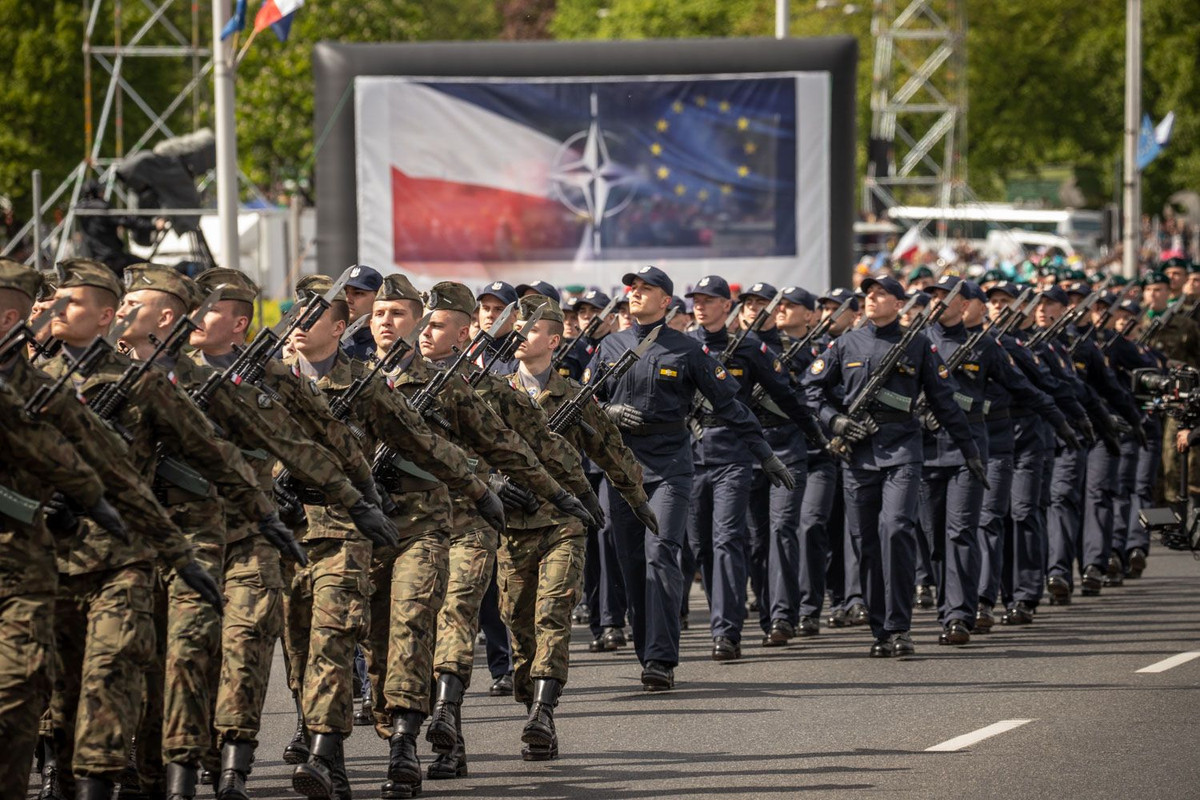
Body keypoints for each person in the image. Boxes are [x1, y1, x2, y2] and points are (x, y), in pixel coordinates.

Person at [585, 265, 786, 689]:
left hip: (670, 469)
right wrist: (609, 412)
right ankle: (647, 650)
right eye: (632, 289)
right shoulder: (609, 346)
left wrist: (764, 454)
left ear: (666, 301)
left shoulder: (687, 350)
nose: (636, 294)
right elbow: (586, 405)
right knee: (632, 563)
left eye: (646, 289)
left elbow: (731, 406)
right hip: (622, 470)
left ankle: (661, 658)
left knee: (661, 554)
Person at [504, 294, 654, 759]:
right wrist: (490, 481)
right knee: (518, 622)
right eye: (518, 328)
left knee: (553, 614)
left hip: (564, 520)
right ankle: (533, 700)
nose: (520, 337)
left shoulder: (575, 396)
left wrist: (638, 499)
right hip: (511, 526)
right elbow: (463, 445)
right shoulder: (493, 393)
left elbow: (611, 451)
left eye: (530, 330)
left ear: (553, 340)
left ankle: (544, 713)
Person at [803, 275, 981, 658]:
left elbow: (944, 401)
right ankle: (880, 629)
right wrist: (835, 421)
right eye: (868, 294)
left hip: (902, 450)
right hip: (858, 456)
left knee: (896, 529)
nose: (872, 298)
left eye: (882, 294)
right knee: (866, 544)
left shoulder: (917, 344)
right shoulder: (844, 343)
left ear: (899, 304)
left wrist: (969, 450)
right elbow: (811, 392)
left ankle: (900, 626)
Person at [684, 276, 810, 660]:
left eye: (709, 300)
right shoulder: (683, 345)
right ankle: (723, 617)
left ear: (727, 305)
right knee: (700, 545)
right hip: (691, 454)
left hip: (734, 455)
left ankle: (726, 631)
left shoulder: (750, 347)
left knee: (727, 541)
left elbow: (786, 394)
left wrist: (818, 433)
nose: (700, 306)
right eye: (697, 300)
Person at [341, 265, 384, 360]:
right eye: (345, 292)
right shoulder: (331, 336)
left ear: (378, 297)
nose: (348, 299)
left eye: (358, 293)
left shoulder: (387, 340)